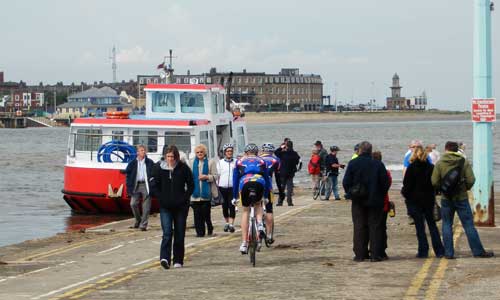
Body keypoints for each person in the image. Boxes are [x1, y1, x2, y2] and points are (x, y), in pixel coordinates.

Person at [431, 141, 494, 259]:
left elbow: (434, 181)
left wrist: (442, 189)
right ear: (456, 150)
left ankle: (449, 253)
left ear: (446, 150)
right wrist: (465, 188)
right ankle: (478, 251)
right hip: (461, 198)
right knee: (469, 225)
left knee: (446, 224)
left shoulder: (439, 163)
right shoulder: (463, 162)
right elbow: (471, 179)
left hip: (446, 198)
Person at [342, 141, 390, 262]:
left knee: (359, 226)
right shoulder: (378, 164)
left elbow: (346, 182)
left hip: (358, 200)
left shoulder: (353, 163)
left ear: (360, 150)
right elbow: (385, 182)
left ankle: (360, 254)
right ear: (370, 150)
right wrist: (380, 193)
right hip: (375, 200)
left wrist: (351, 193)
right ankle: (375, 254)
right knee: (375, 227)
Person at [151, 145, 194, 269]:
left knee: (180, 233)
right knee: (167, 232)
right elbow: (153, 184)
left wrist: (184, 198)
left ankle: (178, 259)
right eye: (168, 156)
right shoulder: (158, 168)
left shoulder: (183, 168)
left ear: (177, 157)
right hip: (165, 206)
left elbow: (191, 185)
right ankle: (164, 257)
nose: (170, 159)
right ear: (165, 156)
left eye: (172, 157)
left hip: (181, 207)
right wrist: (160, 197)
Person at [402, 145, 444, 258]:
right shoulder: (431, 167)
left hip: (415, 201)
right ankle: (439, 251)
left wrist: (406, 196)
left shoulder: (411, 168)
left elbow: (406, 186)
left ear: (414, 154)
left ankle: (423, 251)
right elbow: (435, 183)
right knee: (432, 225)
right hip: (428, 200)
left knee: (420, 227)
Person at [232, 143, 271, 254]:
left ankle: (244, 243)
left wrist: (234, 197)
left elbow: (235, 180)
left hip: (245, 183)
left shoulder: (239, 161)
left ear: (246, 153)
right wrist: (266, 196)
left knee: (246, 210)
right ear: (257, 152)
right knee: (258, 204)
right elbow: (267, 180)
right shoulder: (262, 161)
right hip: (259, 182)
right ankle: (259, 224)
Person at [189, 144, 218, 237]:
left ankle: (209, 227)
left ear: (204, 152)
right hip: (195, 194)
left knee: (206, 214)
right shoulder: (191, 162)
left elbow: (216, 176)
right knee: (197, 215)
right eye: (197, 152)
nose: (199, 154)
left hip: (206, 193)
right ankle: (200, 232)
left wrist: (206, 177)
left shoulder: (211, 162)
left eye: (201, 152)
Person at [125, 144, 155, 231]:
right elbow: (128, 174)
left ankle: (143, 225)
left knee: (146, 206)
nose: (143, 152)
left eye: (144, 150)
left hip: (146, 185)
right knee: (133, 204)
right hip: (136, 184)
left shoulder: (150, 162)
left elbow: (153, 174)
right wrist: (128, 185)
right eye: (141, 150)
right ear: (137, 152)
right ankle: (138, 220)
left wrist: (152, 183)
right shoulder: (132, 163)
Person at [259, 142, 280, 244]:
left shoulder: (257, 159)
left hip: (255, 185)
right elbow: (278, 176)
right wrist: (281, 190)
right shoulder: (275, 160)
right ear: (272, 151)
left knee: (253, 207)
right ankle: (269, 235)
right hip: (268, 187)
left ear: (262, 150)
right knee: (269, 211)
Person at [372, 151, 392, 259]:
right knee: (382, 228)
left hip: (373, 203)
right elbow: (388, 185)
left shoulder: (370, 171)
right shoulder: (386, 172)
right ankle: (382, 250)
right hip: (383, 203)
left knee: (373, 227)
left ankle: (374, 250)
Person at [217, 143, 236, 233]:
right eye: (228, 151)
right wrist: (217, 186)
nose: (229, 152)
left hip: (232, 187)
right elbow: (218, 175)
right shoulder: (220, 163)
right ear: (225, 152)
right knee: (224, 206)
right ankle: (227, 223)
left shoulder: (236, 162)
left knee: (232, 205)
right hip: (222, 187)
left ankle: (231, 224)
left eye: (231, 151)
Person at [274, 140, 301, 206]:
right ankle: (289, 201)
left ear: (286, 146)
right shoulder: (295, 153)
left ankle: (280, 202)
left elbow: (276, 152)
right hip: (291, 172)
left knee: (282, 187)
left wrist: (281, 147)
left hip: (283, 172)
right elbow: (298, 161)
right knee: (289, 187)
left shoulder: (283, 153)